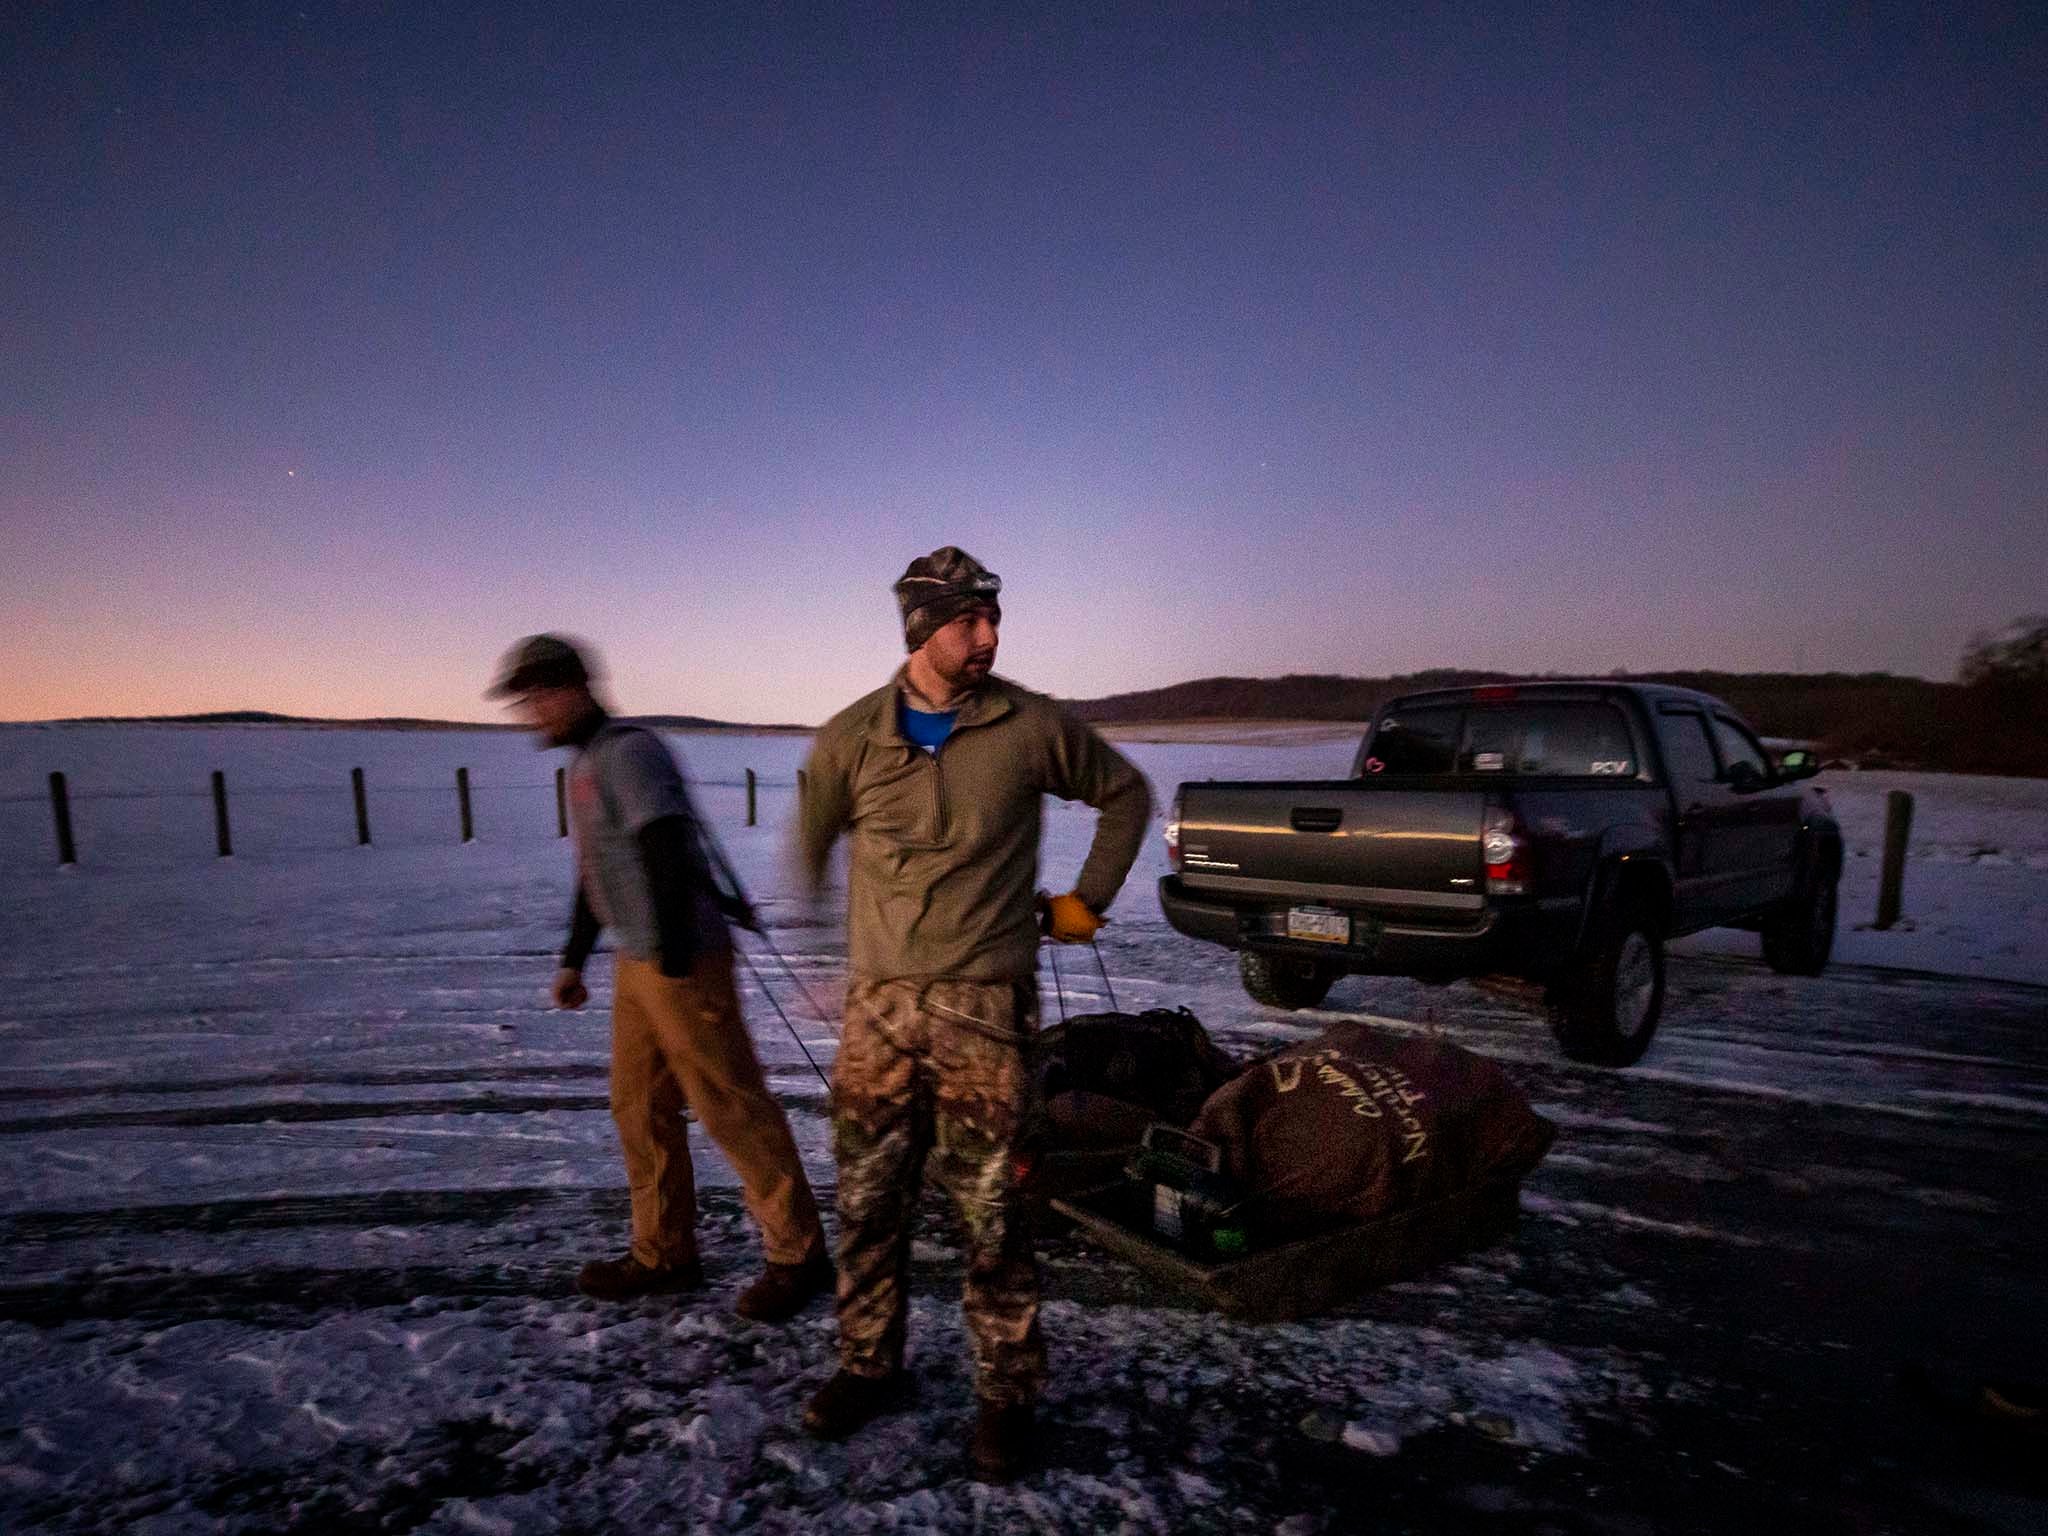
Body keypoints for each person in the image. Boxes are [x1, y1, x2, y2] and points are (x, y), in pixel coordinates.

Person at [792, 548, 1153, 1481]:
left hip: (987, 1010)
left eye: (994, 618)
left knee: (993, 1214)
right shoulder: (849, 739)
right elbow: (808, 846)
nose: (989, 636)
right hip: (878, 1013)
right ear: (922, 629)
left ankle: (1006, 1396)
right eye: (968, 621)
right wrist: (829, 958)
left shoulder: (1029, 727)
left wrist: (1085, 902)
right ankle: (868, 1364)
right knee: (869, 1202)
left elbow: (1126, 795)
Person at [486, 633, 830, 1321]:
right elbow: (597, 873)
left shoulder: (630, 753)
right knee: (639, 1108)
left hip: (681, 959)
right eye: (524, 702)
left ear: (573, 688)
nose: (531, 714)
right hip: (638, 962)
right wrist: (575, 958)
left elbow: (666, 845)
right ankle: (664, 1251)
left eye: (537, 697)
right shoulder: (585, 766)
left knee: (729, 1103)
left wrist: (676, 957)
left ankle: (799, 1255)